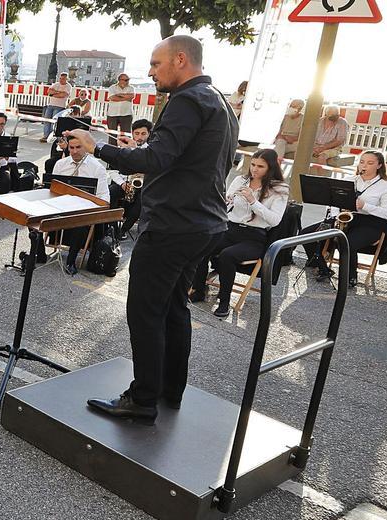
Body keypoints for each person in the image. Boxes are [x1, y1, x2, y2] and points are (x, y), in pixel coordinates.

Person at [64, 35, 237, 423]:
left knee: (145, 313)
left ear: (180, 60)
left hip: (173, 225)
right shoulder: (220, 101)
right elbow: (198, 158)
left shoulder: (186, 101)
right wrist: (138, 149)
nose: (150, 71)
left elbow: (158, 158)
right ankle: (169, 391)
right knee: (175, 308)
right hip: (204, 224)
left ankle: (142, 399)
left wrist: (99, 147)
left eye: (156, 64)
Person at [190, 149, 289, 317]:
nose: (255, 170)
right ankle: (198, 289)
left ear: (270, 167)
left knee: (228, 255)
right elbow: (226, 207)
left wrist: (253, 201)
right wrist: (226, 202)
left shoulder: (279, 189)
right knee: (202, 244)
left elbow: (275, 220)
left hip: (255, 236)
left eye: (260, 166)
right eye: (253, 165)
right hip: (230, 228)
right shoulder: (240, 180)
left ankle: (224, 301)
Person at [300, 151, 387, 285]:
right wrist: (335, 216)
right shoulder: (349, 180)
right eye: (362, 162)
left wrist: (365, 205)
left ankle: (350, 276)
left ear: (379, 165)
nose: (364, 166)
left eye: (370, 163)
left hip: (371, 223)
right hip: (344, 218)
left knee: (346, 242)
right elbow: (333, 200)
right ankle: (321, 267)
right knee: (305, 234)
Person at [51, 135, 110, 273]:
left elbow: (104, 198)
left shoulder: (97, 168)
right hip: (60, 206)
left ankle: (71, 261)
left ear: (86, 147)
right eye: (71, 148)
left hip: (82, 209)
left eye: (78, 147)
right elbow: (51, 189)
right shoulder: (60, 164)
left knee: (82, 220)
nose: (75, 151)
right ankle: (40, 254)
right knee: (31, 215)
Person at [114, 118, 153, 237]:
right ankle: (112, 228)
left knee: (142, 200)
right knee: (109, 193)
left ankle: (123, 230)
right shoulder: (123, 147)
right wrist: (122, 183)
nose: (140, 137)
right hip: (125, 183)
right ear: (132, 134)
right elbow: (112, 171)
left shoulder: (151, 151)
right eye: (136, 133)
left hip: (142, 186)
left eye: (143, 134)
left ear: (149, 134)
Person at [42, 72, 73, 143]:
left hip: (59, 106)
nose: (61, 80)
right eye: (60, 78)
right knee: (47, 121)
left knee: (54, 122)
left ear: (66, 79)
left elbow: (63, 95)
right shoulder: (56, 84)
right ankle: (45, 136)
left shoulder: (68, 86)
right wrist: (58, 92)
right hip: (50, 105)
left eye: (63, 79)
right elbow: (49, 92)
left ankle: (51, 137)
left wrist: (54, 93)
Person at [105, 74, 136, 146]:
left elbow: (132, 96)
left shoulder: (131, 88)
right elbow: (112, 98)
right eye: (125, 80)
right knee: (112, 135)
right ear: (119, 80)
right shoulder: (112, 87)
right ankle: (112, 151)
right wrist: (126, 97)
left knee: (126, 135)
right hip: (112, 114)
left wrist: (119, 94)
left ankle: (125, 151)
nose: (127, 81)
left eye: (128, 79)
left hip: (127, 114)